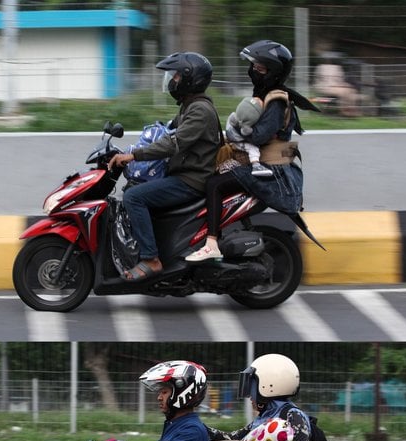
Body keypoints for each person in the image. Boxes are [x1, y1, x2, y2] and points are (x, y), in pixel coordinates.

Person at [188, 40, 318, 263]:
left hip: (269, 169)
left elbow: (259, 136)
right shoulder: (268, 95)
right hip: (261, 161)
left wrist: (237, 128)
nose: (252, 72)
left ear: (273, 72)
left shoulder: (276, 100)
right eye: (253, 66)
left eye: (259, 68)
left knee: (213, 184)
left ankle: (211, 243)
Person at [107, 52, 220, 281]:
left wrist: (134, 155)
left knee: (134, 198)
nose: (173, 81)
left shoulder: (200, 110)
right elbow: (164, 132)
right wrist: (131, 147)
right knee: (133, 188)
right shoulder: (190, 107)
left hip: (190, 181)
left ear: (191, 79)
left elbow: (172, 144)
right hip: (183, 174)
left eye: (177, 76)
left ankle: (151, 259)